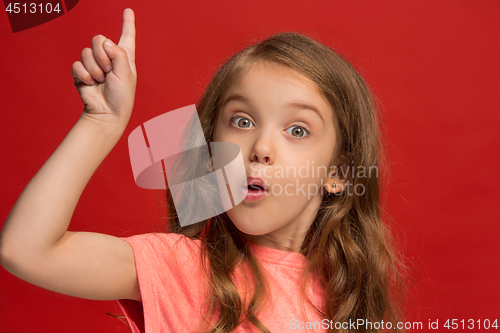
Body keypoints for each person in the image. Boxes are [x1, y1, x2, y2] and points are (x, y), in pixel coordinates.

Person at [0, 8, 407, 333]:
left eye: (297, 130)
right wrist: (101, 122)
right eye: (242, 121)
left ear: (339, 173)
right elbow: (26, 250)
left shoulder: (348, 303)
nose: (260, 149)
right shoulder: (181, 269)